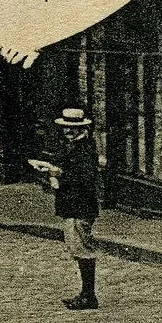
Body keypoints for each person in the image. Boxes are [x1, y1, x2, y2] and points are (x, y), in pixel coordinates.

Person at [36, 107, 104, 310]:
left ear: (80, 129)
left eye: (72, 128)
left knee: (82, 248)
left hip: (80, 205)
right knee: (78, 247)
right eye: (65, 127)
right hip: (73, 205)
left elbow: (83, 178)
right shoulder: (73, 146)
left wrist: (58, 174)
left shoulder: (84, 148)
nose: (68, 131)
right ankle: (85, 293)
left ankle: (88, 296)